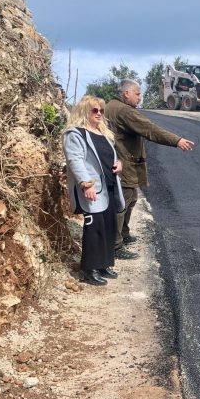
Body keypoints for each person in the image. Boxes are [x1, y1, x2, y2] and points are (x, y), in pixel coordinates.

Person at [105, 79, 195, 259]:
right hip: (123, 163)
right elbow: (149, 129)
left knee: (130, 199)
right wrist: (176, 140)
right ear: (126, 94)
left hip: (120, 161)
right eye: (137, 94)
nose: (140, 98)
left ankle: (123, 234)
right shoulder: (124, 111)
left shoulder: (111, 106)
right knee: (123, 202)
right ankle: (115, 246)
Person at [63, 95, 126, 286]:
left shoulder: (103, 133)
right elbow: (75, 160)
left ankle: (104, 265)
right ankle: (89, 269)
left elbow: (111, 157)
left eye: (101, 110)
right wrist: (85, 183)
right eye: (94, 110)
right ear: (84, 111)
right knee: (94, 228)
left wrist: (119, 164)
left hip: (110, 186)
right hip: (93, 189)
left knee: (108, 225)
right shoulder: (75, 134)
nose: (99, 114)